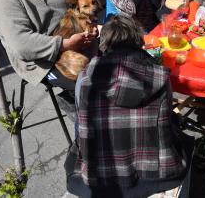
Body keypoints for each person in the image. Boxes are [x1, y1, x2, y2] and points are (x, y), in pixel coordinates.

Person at [68, 15, 192, 197]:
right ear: (138, 41)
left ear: (104, 43)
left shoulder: (86, 77)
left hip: (99, 177)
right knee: (183, 139)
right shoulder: (159, 76)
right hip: (156, 173)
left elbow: (82, 124)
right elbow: (165, 119)